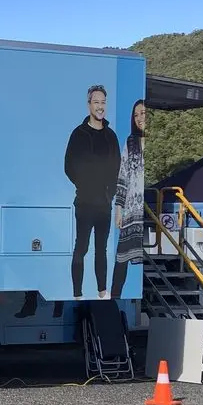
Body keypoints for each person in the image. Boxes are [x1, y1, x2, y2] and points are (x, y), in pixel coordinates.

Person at [63, 84, 121, 299]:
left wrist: (110, 193)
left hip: (104, 204)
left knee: (101, 250)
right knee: (81, 248)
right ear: (89, 105)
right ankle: (77, 293)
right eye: (96, 102)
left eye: (103, 102)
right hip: (84, 202)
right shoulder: (78, 134)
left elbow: (117, 167)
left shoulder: (111, 136)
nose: (100, 106)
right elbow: (69, 165)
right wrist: (84, 185)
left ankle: (102, 292)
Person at [109, 99, 146, 299]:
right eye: (136, 115)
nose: (139, 118)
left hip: (149, 212)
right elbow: (122, 176)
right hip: (132, 210)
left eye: (143, 113)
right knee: (121, 259)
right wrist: (118, 209)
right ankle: (113, 298)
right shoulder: (131, 142)